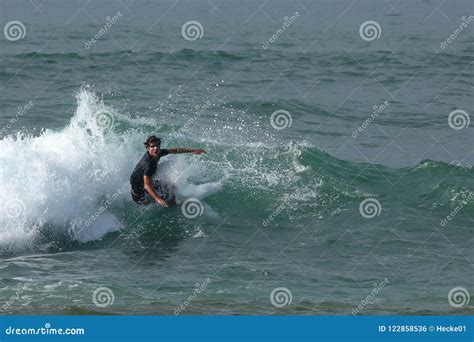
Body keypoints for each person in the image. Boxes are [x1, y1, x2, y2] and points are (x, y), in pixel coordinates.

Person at [130, 135, 206, 207]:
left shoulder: (158, 153)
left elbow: (175, 150)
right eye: (152, 146)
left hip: (144, 184)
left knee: (171, 188)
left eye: (157, 145)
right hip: (139, 194)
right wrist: (158, 199)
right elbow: (147, 185)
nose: (156, 148)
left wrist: (193, 150)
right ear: (147, 148)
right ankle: (176, 206)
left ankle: (176, 203)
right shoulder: (148, 165)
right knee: (165, 202)